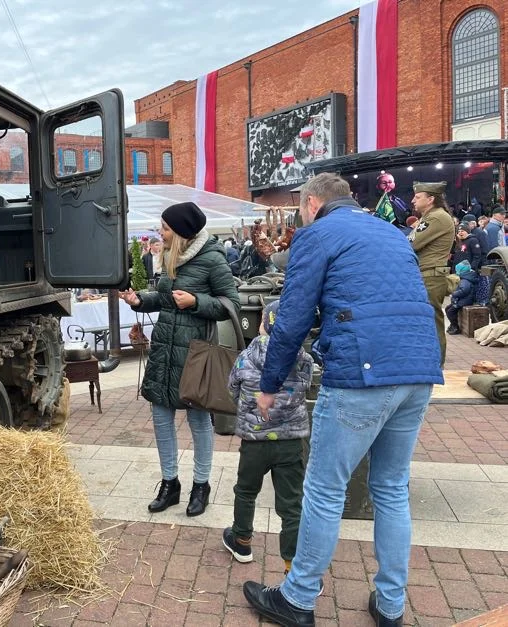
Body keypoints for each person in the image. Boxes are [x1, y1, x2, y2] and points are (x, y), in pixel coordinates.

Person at [242, 173, 443, 627]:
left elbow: (291, 318)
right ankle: (390, 605)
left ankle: (298, 598)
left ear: (312, 203)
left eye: (299, 207)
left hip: (362, 371)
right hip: (418, 367)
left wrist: (270, 383)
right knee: (391, 489)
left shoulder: (317, 234)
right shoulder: (391, 231)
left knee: (325, 489)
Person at [119, 202, 240, 517]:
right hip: (164, 349)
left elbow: (231, 303)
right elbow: (164, 299)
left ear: (183, 232)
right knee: (161, 419)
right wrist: (139, 300)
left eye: (166, 228)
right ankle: (169, 483)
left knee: (198, 420)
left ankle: (201, 485)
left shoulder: (212, 259)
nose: (161, 232)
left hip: (195, 354)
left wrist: (197, 301)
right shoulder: (171, 257)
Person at [223, 300, 313, 575]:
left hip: (254, 441)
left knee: (246, 491)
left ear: (263, 324)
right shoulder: (304, 359)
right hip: (290, 443)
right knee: (291, 504)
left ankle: (242, 541)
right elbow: (306, 389)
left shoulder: (246, 357)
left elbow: (232, 389)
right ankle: (291, 564)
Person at [408, 181, 456, 367]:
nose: (413, 200)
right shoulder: (434, 217)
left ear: (430, 199)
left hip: (430, 277)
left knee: (431, 321)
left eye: (417, 197)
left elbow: (411, 243)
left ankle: (435, 365)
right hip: (428, 275)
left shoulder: (435, 218)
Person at [446, 260, 479, 335]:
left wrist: (454, 294)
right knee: (448, 308)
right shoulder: (467, 277)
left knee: (450, 311)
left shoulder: (465, 280)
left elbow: (464, 291)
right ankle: (452, 324)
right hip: (464, 299)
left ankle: (455, 326)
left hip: (465, 300)